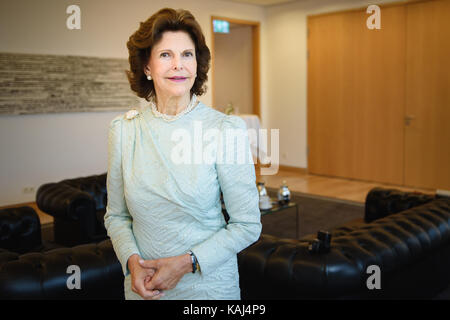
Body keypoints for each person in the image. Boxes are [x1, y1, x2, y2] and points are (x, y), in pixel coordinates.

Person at [104, 8, 262, 300]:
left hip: (209, 287)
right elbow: (116, 216)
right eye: (165, 55)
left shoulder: (226, 130)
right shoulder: (124, 131)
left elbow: (247, 225)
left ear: (197, 64)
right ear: (147, 67)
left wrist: (185, 263)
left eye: (187, 55)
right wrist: (132, 263)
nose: (179, 65)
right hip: (144, 287)